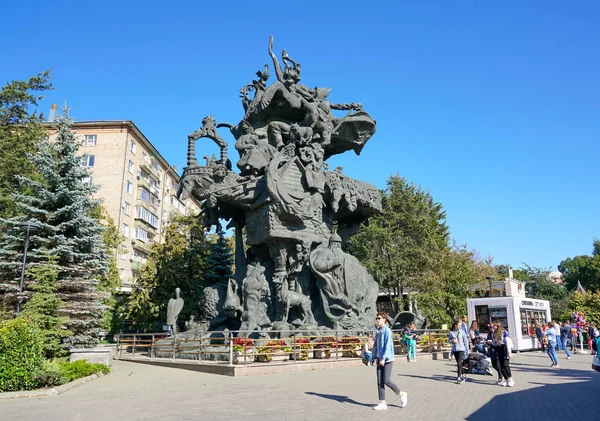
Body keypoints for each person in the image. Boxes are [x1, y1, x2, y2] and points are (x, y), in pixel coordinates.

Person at [372, 312, 407, 410]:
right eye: (377, 318)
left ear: (384, 319)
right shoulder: (378, 331)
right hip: (379, 359)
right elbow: (375, 345)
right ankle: (383, 403)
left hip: (387, 359)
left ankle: (401, 393)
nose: (377, 320)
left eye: (379, 318)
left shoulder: (387, 331)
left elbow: (388, 346)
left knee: (386, 380)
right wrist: (373, 357)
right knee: (379, 381)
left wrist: (384, 358)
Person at [487, 322, 514, 387]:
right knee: (501, 366)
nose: (493, 328)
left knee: (505, 365)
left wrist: (509, 352)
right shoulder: (494, 333)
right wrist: (491, 342)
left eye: (494, 326)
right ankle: (506, 379)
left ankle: (510, 379)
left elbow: (507, 342)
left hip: (504, 349)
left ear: (498, 326)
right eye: (492, 326)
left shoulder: (503, 332)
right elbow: (495, 343)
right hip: (499, 349)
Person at [449, 319, 470, 384]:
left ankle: (459, 377)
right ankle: (463, 375)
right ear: (455, 325)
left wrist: (467, 350)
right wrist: (452, 341)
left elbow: (465, 341)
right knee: (459, 364)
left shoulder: (462, 332)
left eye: (460, 326)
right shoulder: (451, 332)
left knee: (459, 363)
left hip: (461, 349)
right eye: (458, 325)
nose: (459, 327)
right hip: (455, 349)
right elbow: (448, 341)